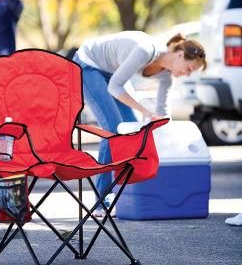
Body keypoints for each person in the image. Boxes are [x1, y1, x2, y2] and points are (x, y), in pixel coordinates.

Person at [73, 30, 207, 216]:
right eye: (189, 69)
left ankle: (125, 193)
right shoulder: (145, 51)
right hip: (88, 64)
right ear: (179, 54)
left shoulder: (166, 77)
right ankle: (101, 199)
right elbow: (115, 87)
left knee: (132, 131)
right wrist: (145, 111)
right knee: (113, 131)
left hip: (111, 72)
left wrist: (168, 139)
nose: (186, 74)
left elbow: (162, 116)